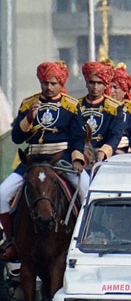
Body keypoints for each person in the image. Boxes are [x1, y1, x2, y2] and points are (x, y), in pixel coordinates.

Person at [0, 62, 89, 260]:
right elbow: (16, 138)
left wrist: (77, 160)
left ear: (60, 83)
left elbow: (77, 138)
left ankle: (83, 235)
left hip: (61, 159)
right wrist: (29, 118)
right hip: (32, 160)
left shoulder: (72, 105)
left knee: (86, 187)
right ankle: (11, 239)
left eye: (53, 83)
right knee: (2, 192)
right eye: (45, 83)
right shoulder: (28, 103)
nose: (49, 88)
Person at [79, 60, 124, 164]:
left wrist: (105, 151)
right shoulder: (75, 106)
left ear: (105, 85)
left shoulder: (115, 107)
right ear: (86, 83)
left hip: (105, 155)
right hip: (81, 153)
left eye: (99, 83)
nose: (95, 87)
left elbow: (116, 134)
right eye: (92, 82)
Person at [109, 63, 131, 154]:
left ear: (125, 91)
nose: (111, 91)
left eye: (115, 88)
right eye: (109, 87)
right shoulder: (103, 108)